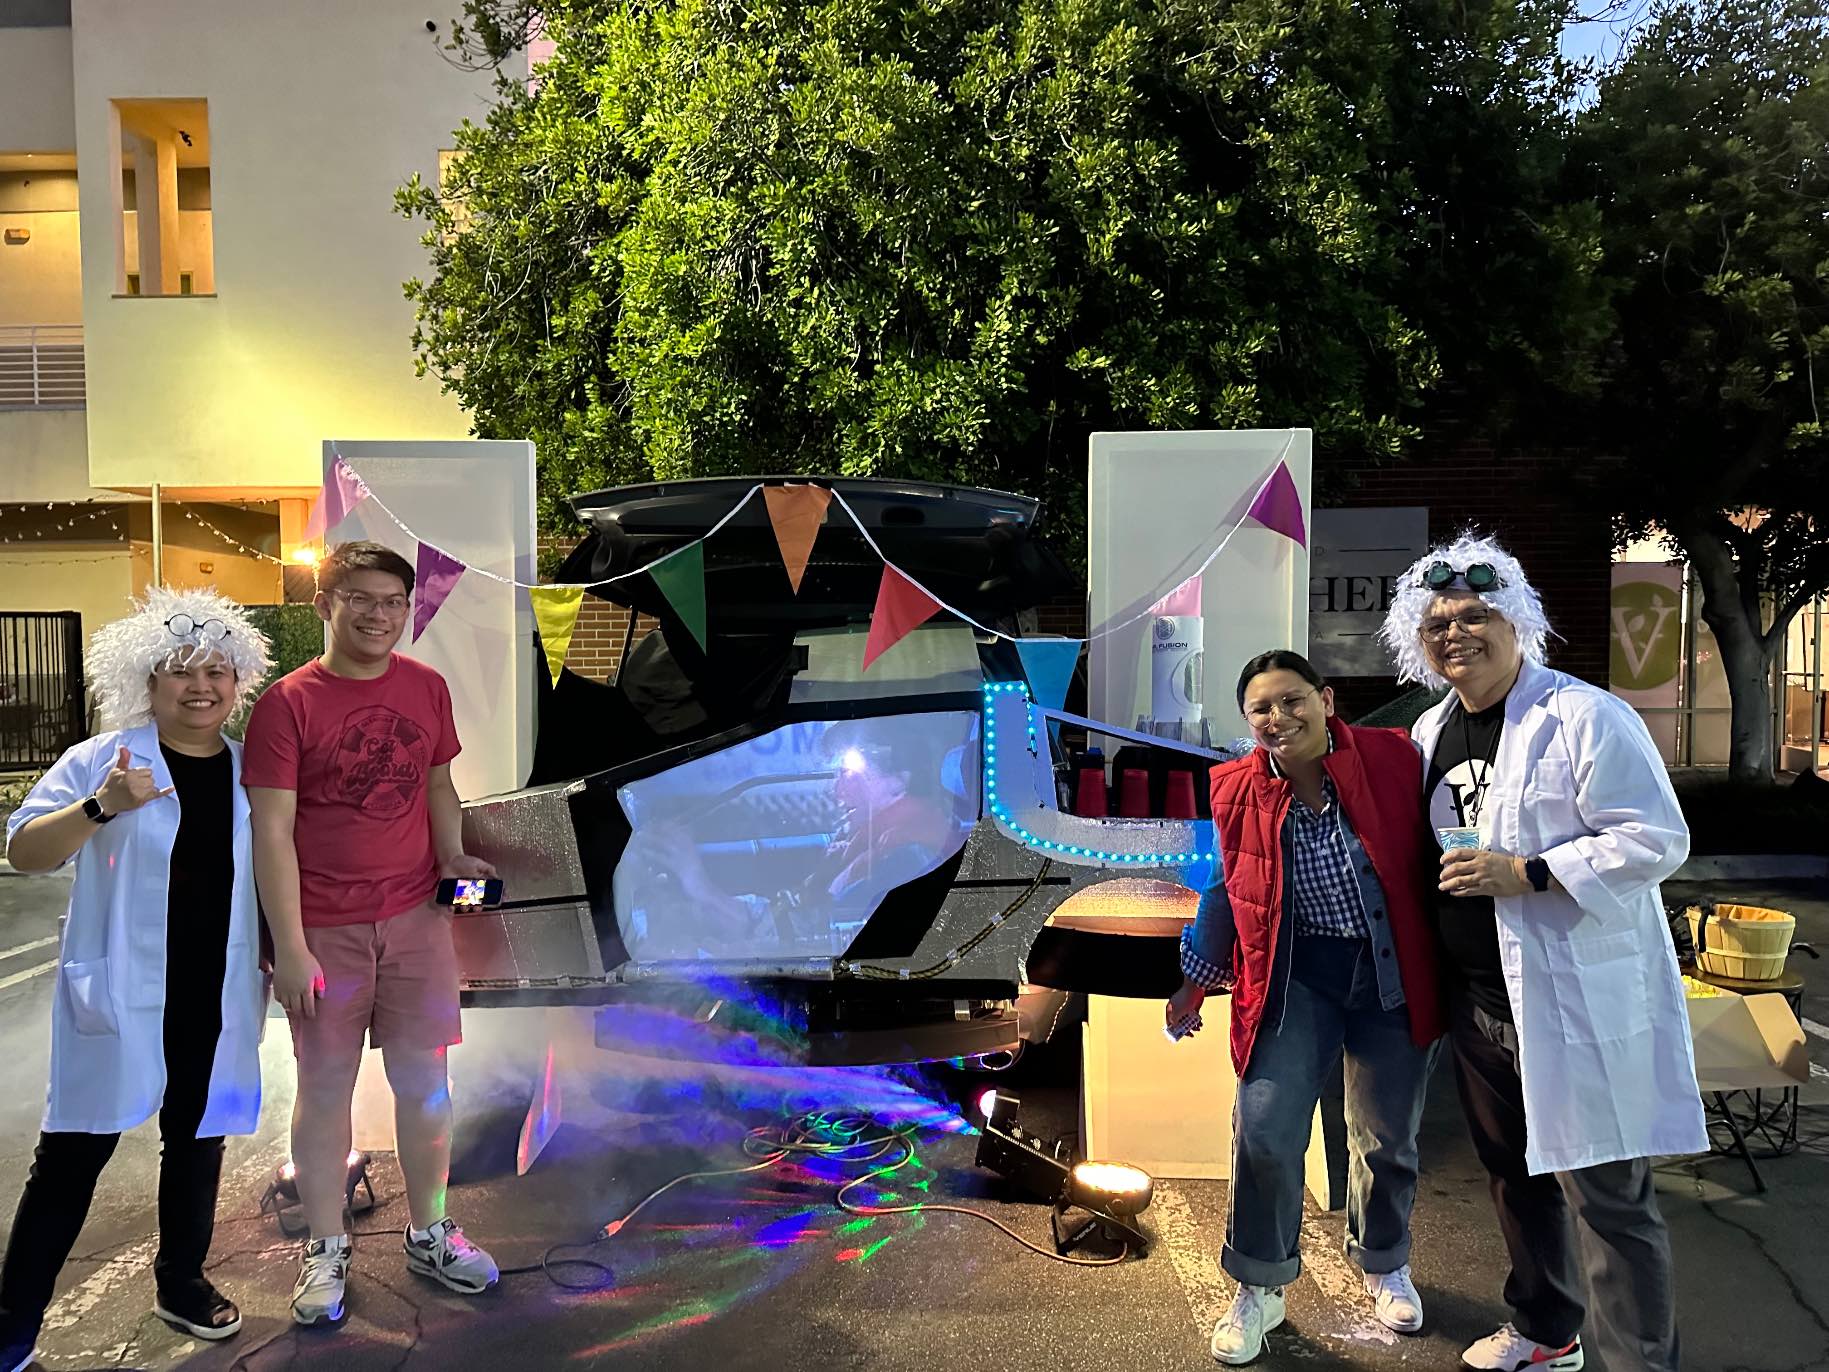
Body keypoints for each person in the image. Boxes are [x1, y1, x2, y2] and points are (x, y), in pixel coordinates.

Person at [1379, 534, 1704, 1372]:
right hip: (1480, 1001)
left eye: (1476, 615)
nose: (1455, 633)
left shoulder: (1585, 715)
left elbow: (1655, 837)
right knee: (1511, 1174)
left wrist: (1527, 871)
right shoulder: (1428, 729)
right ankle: (1545, 1330)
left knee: (1608, 1199)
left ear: (1515, 621)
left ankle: (1639, 1362)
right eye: (1437, 623)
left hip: (1572, 1002)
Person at [0, 588, 273, 1371]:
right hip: (122, 990)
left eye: (218, 672)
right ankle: (15, 1320)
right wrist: (100, 806)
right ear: (147, 684)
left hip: (212, 990)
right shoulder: (104, 760)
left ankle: (180, 1282)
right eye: (180, 673)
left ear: (238, 680)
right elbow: (26, 853)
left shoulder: (251, 770)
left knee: (197, 1139)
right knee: (73, 1151)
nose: (202, 687)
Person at [242, 541, 499, 1327]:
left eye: (393, 602)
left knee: (425, 1088)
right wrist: (290, 944)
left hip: (417, 919)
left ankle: (430, 1233)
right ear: (325, 604)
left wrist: (454, 855)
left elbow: (438, 787)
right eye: (360, 599)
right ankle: (325, 1249)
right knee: (325, 1092)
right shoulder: (287, 704)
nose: (379, 615)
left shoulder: (426, 688)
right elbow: (272, 833)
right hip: (325, 931)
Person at [1167, 651, 1444, 1366]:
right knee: (1262, 1129)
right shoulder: (1236, 787)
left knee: (1385, 1136)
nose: (1277, 718)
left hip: (1389, 970)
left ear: (1324, 699)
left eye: (1291, 701)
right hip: (1295, 978)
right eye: (1261, 708)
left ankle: (1383, 1259)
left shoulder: (1393, 758)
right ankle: (1260, 1286)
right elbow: (1227, 886)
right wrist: (1194, 981)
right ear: (1246, 720)